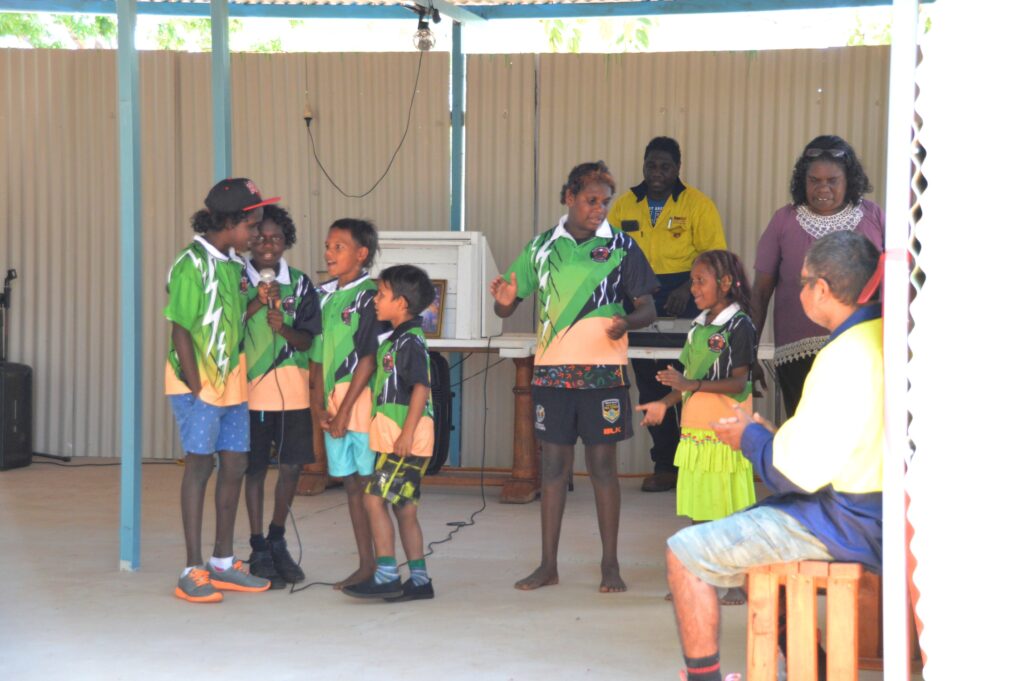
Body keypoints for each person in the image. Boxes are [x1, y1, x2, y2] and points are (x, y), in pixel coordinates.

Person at [665, 231, 883, 681]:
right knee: (756, 532)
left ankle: (702, 677)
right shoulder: (880, 336)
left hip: (846, 521)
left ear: (821, 290)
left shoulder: (843, 355)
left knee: (683, 553)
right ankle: (812, 664)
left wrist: (751, 438)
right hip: (874, 510)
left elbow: (791, 474)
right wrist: (773, 436)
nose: (799, 291)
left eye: (802, 283)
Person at [491, 161, 658, 593]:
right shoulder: (541, 248)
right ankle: (548, 565)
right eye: (590, 200)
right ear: (569, 197)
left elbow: (648, 308)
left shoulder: (622, 246)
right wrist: (506, 300)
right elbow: (506, 306)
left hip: (604, 376)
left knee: (603, 468)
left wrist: (628, 322)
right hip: (552, 375)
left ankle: (610, 565)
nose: (599, 209)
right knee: (552, 468)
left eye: (605, 202)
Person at [165, 178, 276, 603]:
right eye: (252, 225)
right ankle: (191, 569)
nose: (256, 235)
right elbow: (180, 330)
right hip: (199, 384)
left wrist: (256, 302)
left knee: (235, 464)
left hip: (232, 381)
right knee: (199, 467)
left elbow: (231, 321)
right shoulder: (190, 264)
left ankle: (224, 562)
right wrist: (197, 389)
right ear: (229, 222)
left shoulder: (232, 264)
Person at [635, 250, 757, 606]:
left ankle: (736, 585)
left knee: (729, 513)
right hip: (695, 435)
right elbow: (684, 382)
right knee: (699, 511)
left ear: (726, 284)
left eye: (700, 281)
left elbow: (738, 384)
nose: (693, 288)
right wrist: (664, 403)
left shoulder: (740, 325)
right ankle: (700, 582)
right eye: (692, 281)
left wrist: (691, 386)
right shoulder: (699, 326)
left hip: (726, 436)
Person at [608, 136, 727, 493]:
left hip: (686, 298)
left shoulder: (698, 205)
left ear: (678, 169)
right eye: (651, 165)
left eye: (665, 166)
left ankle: (696, 465)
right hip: (638, 296)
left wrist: (686, 288)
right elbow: (610, 252)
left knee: (691, 383)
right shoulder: (625, 205)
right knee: (649, 381)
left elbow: (716, 257)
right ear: (643, 166)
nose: (657, 173)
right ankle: (664, 465)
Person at [751, 134, 884, 418]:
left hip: (862, 348)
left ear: (849, 180)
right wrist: (748, 351)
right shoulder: (784, 220)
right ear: (803, 181)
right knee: (807, 433)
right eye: (814, 180)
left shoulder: (873, 216)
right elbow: (761, 291)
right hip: (798, 353)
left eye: (832, 180)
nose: (822, 188)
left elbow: (897, 279)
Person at [342, 264, 437, 602]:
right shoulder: (396, 337)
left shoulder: (410, 341)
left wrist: (407, 434)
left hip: (405, 440)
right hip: (397, 438)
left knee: (372, 498)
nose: (376, 301)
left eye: (381, 296)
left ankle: (385, 575)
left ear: (401, 302)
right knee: (405, 509)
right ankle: (420, 581)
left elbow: (421, 388)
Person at [241, 204, 322, 589]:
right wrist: (257, 301)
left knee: (291, 467)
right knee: (254, 469)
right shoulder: (237, 280)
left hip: (292, 393)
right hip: (249, 395)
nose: (267, 244)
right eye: (259, 236)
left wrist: (284, 328)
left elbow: (308, 338)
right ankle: (256, 545)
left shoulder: (302, 284)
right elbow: (224, 330)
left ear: (286, 241)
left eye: (275, 237)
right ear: (248, 239)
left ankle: (277, 538)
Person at [309, 218, 381, 589]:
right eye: (327, 246)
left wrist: (346, 411)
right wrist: (320, 405)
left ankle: (383, 567)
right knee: (351, 486)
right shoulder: (323, 295)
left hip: (359, 404)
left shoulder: (370, 295)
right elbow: (319, 355)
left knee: (370, 486)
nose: (329, 253)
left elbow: (367, 360)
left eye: (339, 247)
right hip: (333, 407)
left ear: (361, 253)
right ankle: (365, 563)